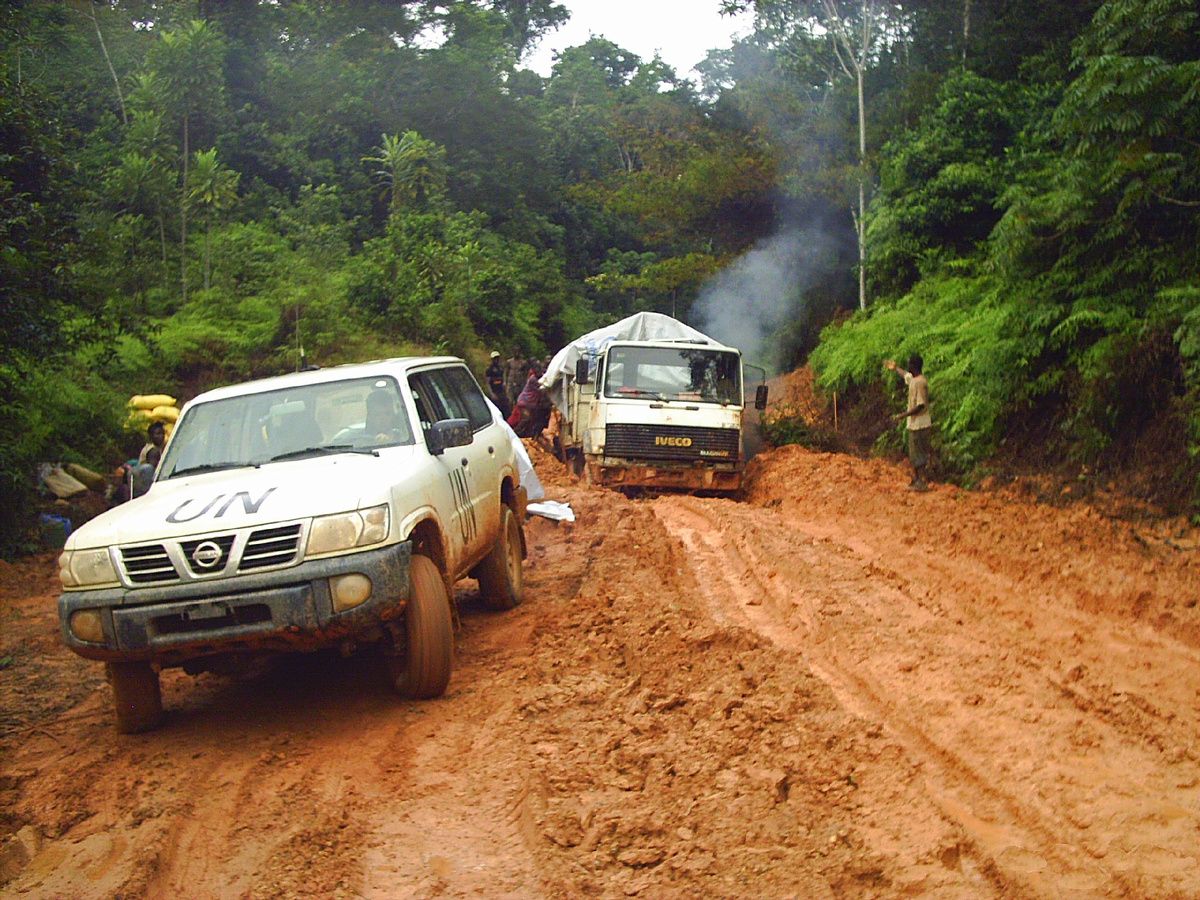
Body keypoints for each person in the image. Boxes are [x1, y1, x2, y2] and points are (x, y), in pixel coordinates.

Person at [884, 354, 932, 492]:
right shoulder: (915, 380)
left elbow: (920, 405)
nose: (908, 366)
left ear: (913, 365)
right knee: (914, 453)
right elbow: (906, 375)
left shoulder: (920, 383)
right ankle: (917, 480)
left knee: (918, 454)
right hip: (915, 424)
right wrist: (895, 368)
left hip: (920, 424)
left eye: (909, 364)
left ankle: (921, 482)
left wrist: (903, 415)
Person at [485, 351, 510, 418]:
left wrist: (505, 386)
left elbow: (503, 377)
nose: (496, 360)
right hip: (494, 391)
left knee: (505, 409)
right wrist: (492, 394)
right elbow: (487, 382)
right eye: (495, 358)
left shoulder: (501, 368)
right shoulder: (489, 370)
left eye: (497, 358)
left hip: (501, 391)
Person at [503, 348, 527, 414]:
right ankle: (510, 414)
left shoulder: (523, 363)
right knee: (510, 401)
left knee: (519, 401)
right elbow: (506, 372)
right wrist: (505, 382)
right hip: (510, 383)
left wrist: (525, 384)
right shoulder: (509, 362)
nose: (517, 353)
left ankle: (518, 415)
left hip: (520, 384)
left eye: (518, 352)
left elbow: (525, 374)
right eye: (515, 352)